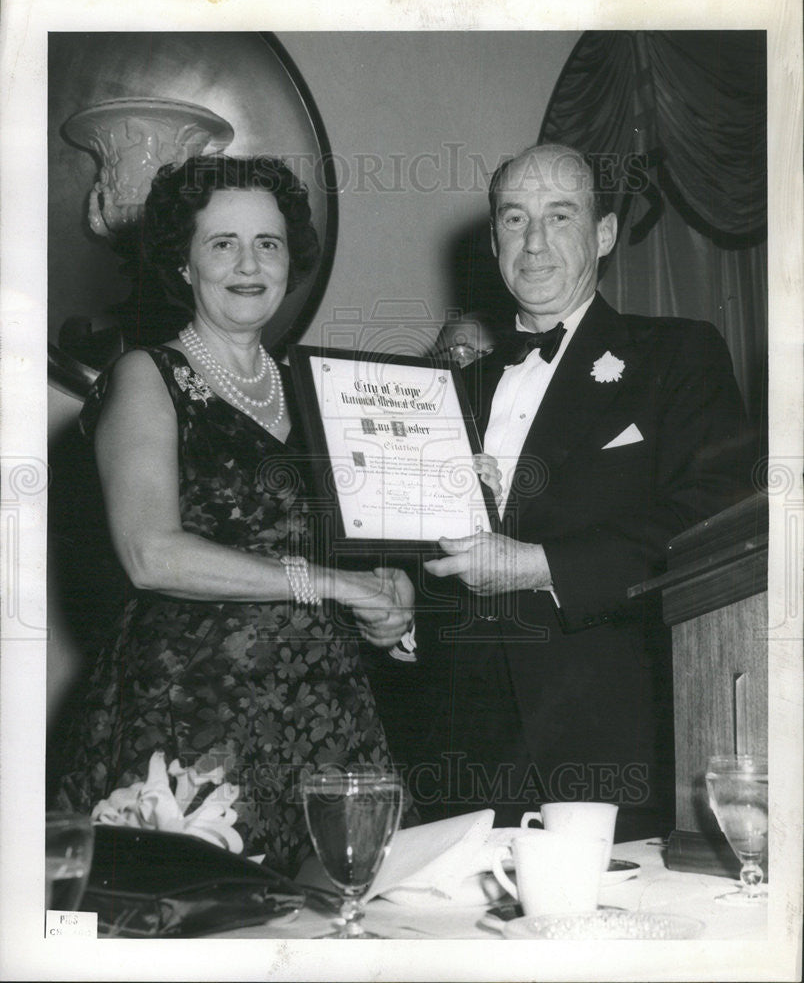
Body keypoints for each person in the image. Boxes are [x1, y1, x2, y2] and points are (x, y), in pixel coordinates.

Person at [53, 155, 416, 874]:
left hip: (326, 714)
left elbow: (360, 547)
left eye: (269, 243)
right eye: (223, 243)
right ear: (183, 264)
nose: (249, 264)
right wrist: (332, 585)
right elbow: (151, 554)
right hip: (193, 711)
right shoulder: (148, 377)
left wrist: (390, 594)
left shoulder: (317, 386)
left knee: (343, 923)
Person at [421, 142, 751, 838]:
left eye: (559, 216)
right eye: (514, 220)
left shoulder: (678, 354)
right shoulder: (446, 391)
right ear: (492, 240)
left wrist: (538, 564)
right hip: (462, 749)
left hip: (612, 739)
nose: (534, 243)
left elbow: (710, 517)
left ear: (603, 235)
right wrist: (399, 602)